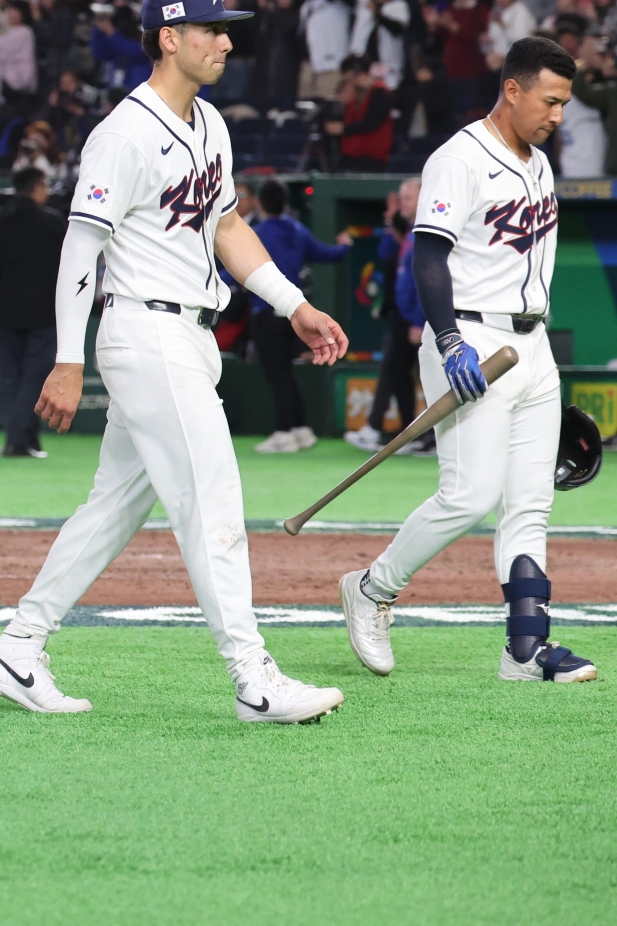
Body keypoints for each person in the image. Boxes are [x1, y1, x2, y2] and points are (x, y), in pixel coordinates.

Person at [0, 0, 351, 724]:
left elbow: (227, 227)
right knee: (211, 498)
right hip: (145, 329)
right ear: (169, 37)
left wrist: (294, 305)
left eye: (228, 28)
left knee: (112, 507)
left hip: (187, 331)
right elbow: (80, 246)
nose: (226, 41)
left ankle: (19, 646)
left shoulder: (209, 121)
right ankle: (253, 677)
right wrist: (68, 356)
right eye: (212, 28)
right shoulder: (123, 132)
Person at [341, 37, 595, 684]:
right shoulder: (459, 157)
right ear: (512, 89)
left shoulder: (537, 162)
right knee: (470, 493)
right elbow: (428, 252)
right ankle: (372, 588)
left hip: (533, 343)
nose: (558, 114)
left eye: (564, 103)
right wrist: (449, 339)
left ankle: (526, 650)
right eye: (550, 100)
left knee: (530, 500)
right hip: (475, 340)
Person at [245, 179, 351, 453]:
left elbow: (238, 269)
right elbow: (328, 255)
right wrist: (345, 246)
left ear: (259, 203)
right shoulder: (298, 230)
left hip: (268, 314)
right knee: (287, 374)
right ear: (285, 203)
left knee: (277, 375)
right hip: (293, 315)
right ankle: (301, 430)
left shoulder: (255, 235)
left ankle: (284, 433)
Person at [0, 166, 65, 458]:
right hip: (44, 313)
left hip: (7, 313)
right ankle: (18, 442)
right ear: (37, 187)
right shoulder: (53, 223)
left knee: (13, 378)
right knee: (34, 378)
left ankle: (28, 439)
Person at [350, 178, 426, 454]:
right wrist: (389, 220)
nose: (403, 203)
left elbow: (428, 281)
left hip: (418, 319)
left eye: (409, 198)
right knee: (401, 373)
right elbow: (385, 252)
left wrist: (419, 320)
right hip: (404, 316)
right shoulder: (409, 231)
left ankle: (417, 435)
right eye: (402, 198)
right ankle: (413, 433)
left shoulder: (427, 231)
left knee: (413, 374)